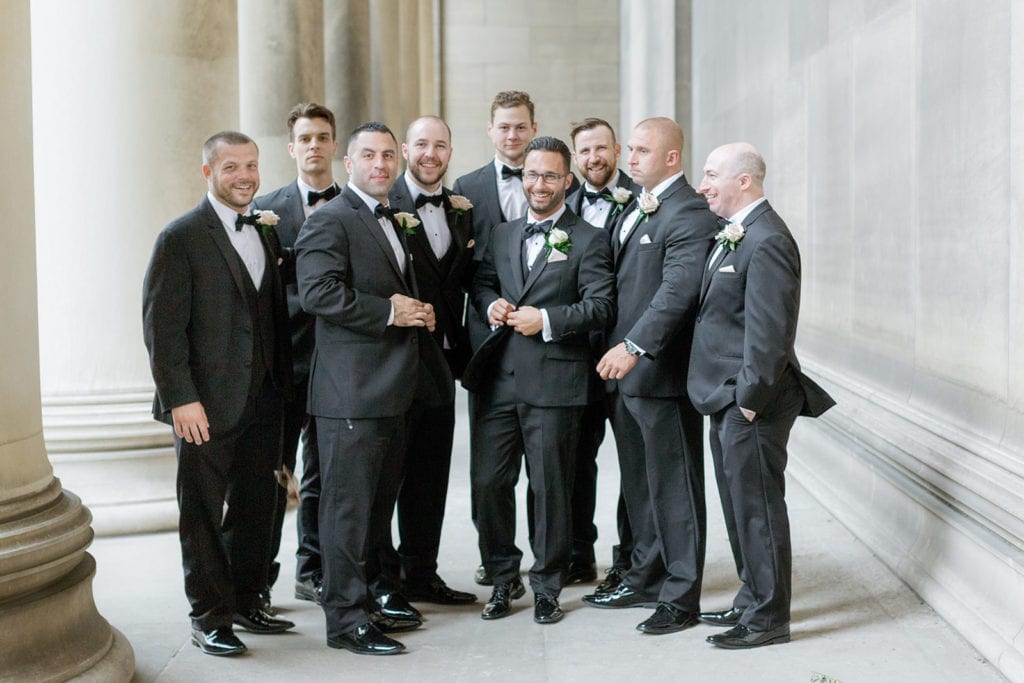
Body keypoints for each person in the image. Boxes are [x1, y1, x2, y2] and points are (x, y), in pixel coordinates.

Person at [295, 122, 452, 656]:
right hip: (350, 395)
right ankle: (345, 622)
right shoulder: (331, 219)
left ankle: (366, 606)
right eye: (369, 155)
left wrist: (414, 311)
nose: (381, 164)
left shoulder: (388, 218)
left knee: (373, 513)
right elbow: (318, 294)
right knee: (346, 512)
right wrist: (390, 311)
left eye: (388, 155)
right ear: (349, 163)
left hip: (391, 391)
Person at [143, 130, 295, 657]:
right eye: (231, 167)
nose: (245, 176)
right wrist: (180, 398)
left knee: (258, 506)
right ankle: (209, 616)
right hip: (204, 404)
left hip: (264, 399)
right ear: (208, 173)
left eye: (251, 165)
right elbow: (162, 329)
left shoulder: (266, 231)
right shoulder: (181, 236)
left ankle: (250, 599)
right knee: (203, 513)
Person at [688, 142, 834, 649]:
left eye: (710, 175)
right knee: (736, 503)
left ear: (743, 181)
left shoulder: (767, 238)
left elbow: (771, 331)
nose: (702, 184)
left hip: (751, 399)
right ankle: (752, 598)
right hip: (722, 394)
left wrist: (748, 398)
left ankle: (770, 618)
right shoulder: (738, 233)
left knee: (758, 509)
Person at [464, 136, 615, 624]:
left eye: (551, 176)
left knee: (550, 487)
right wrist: (491, 305)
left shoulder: (589, 238)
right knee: (488, 482)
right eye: (532, 174)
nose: (540, 184)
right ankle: (503, 576)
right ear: (522, 177)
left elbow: (600, 306)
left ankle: (548, 583)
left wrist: (545, 320)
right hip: (498, 380)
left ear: (567, 181)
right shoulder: (503, 234)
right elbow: (483, 281)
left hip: (555, 382)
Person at [584, 117, 717, 637]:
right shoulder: (636, 207)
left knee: (675, 487)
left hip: (661, 375)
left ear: (671, 158)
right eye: (630, 149)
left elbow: (678, 291)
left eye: (641, 150)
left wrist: (635, 346)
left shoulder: (689, 212)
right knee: (640, 486)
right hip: (626, 378)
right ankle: (646, 576)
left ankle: (681, 596)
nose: (630, 157)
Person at [382, 115, 477, 605]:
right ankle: (385, 583)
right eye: (421, 144)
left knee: (430, 476)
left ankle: (422, 572)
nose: (430, 154)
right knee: (386, 477)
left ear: (450, 152)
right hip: (393, 364)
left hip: (442, 363)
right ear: (404, 148)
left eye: (440, 145)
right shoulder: (384, 206)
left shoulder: (462, 210)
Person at [254, 102, 340, 609]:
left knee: (324, 475)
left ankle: (313, 570)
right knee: (272, 472)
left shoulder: (356, 205)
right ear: (292, 148)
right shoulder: (266, 210)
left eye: (322, 137)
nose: (314, 145)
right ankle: (258, 577)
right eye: (305, 138)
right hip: (284, 364)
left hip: (336, 363)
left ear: (334, 145)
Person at [452, 91, 537, 586]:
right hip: (487, 345)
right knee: (490, 472)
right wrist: (487, 305)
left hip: (547, 341)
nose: (512, 135)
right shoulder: (466, 188)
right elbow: (460, 269)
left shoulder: (556, 182)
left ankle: (565, 553)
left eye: (521, 126)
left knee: (552, 469)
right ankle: (497, 557)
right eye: (504, 127)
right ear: (490, 130)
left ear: (532, 128)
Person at [563, 117, 641, 589]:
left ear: (615, 148)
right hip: (576, 356)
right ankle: (576, 554)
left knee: (633, 462)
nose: (593, 158)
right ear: (575, 158)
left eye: (600, 148)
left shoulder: (644, 199)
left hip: (627, 354)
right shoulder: (564, 205)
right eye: (584, 152)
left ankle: (630, 557)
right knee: (574, 460)